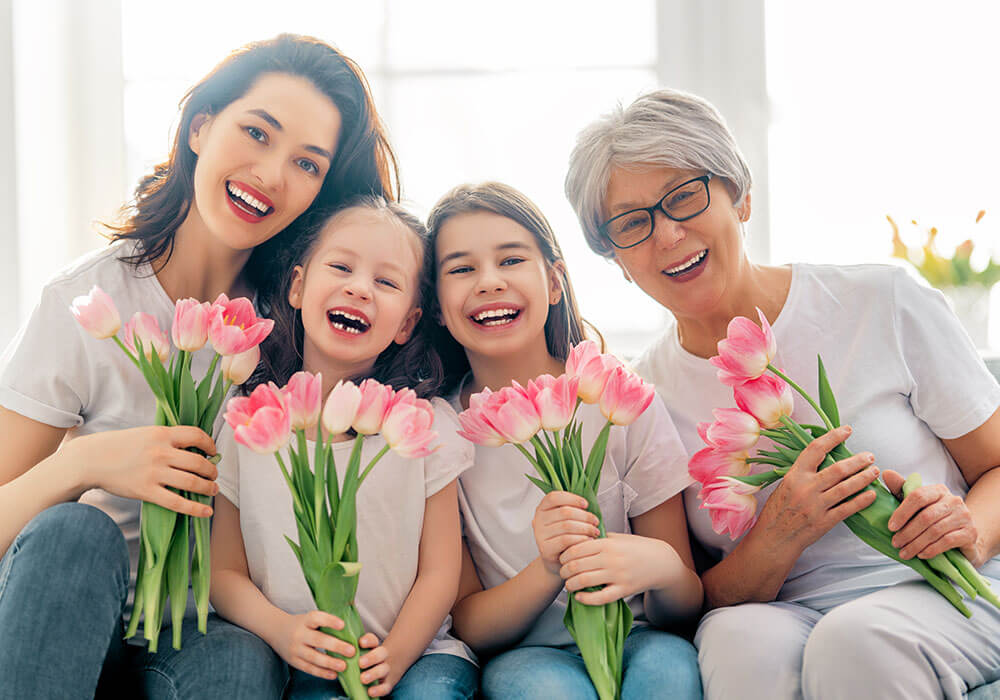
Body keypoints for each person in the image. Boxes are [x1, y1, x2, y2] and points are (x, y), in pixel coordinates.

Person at [565, 87, 1000, 699]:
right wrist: (778, 532)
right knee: (737, 642)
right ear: (614, 257)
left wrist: (971, 531)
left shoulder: (882, 302)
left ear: (740, 197)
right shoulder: (640, 397)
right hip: (786, 613)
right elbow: (689, 600)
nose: (666, 235)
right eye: (632, 222)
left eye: (685, 196)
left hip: (947, 584)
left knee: (855, 639)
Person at [0, 34, 398, 698]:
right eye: (256, 132)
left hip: (201, 629)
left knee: (242, 657)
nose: (271, 174)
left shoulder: (302, 316)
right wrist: (86, 464)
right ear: (200, 127)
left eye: (306, 163)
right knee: (75, 529)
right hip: (70, 614)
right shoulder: (88, 302)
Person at [427, 182, 703, 700]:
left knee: (669, 674)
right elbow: (469, 624)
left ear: (554, 282)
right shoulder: (441, 429)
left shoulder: (616, 396)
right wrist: (549, 566)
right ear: (437, 306)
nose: (488, 282)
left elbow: (684, 601)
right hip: (526, 655)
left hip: (641, 636)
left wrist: (663, 568)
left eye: (510, 260)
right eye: (461, 269)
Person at [211, 196, 478, 699]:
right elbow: (224, 574)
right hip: (300, 661)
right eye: (340, 267)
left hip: (418, 657)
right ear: (297, 286)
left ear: (406, 323)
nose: (359, 288)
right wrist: (281, 631)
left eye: (386, 281)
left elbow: (441, 573)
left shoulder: (422, 424)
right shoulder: (247, 420)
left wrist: (396, 654)